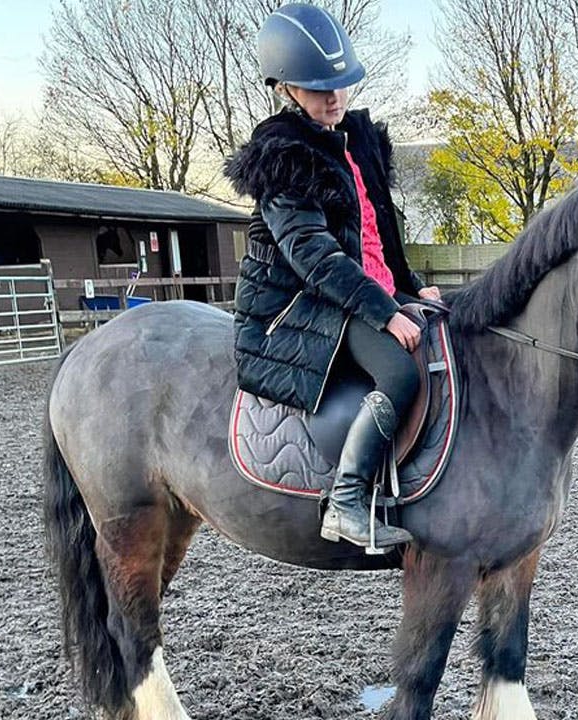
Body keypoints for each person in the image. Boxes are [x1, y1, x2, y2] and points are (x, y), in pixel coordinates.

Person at [225, 2, 440, 549]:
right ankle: (346, 501)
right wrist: (386, 312)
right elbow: (314, 256)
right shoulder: (283, 155)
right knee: (399, 374)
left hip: (359, 291)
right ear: (284, 88)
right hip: (300, 303)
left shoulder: (358, 140)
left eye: (341, 84)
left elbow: (378, 230)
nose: (334, 97)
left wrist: (411, 287)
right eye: (319, 88)